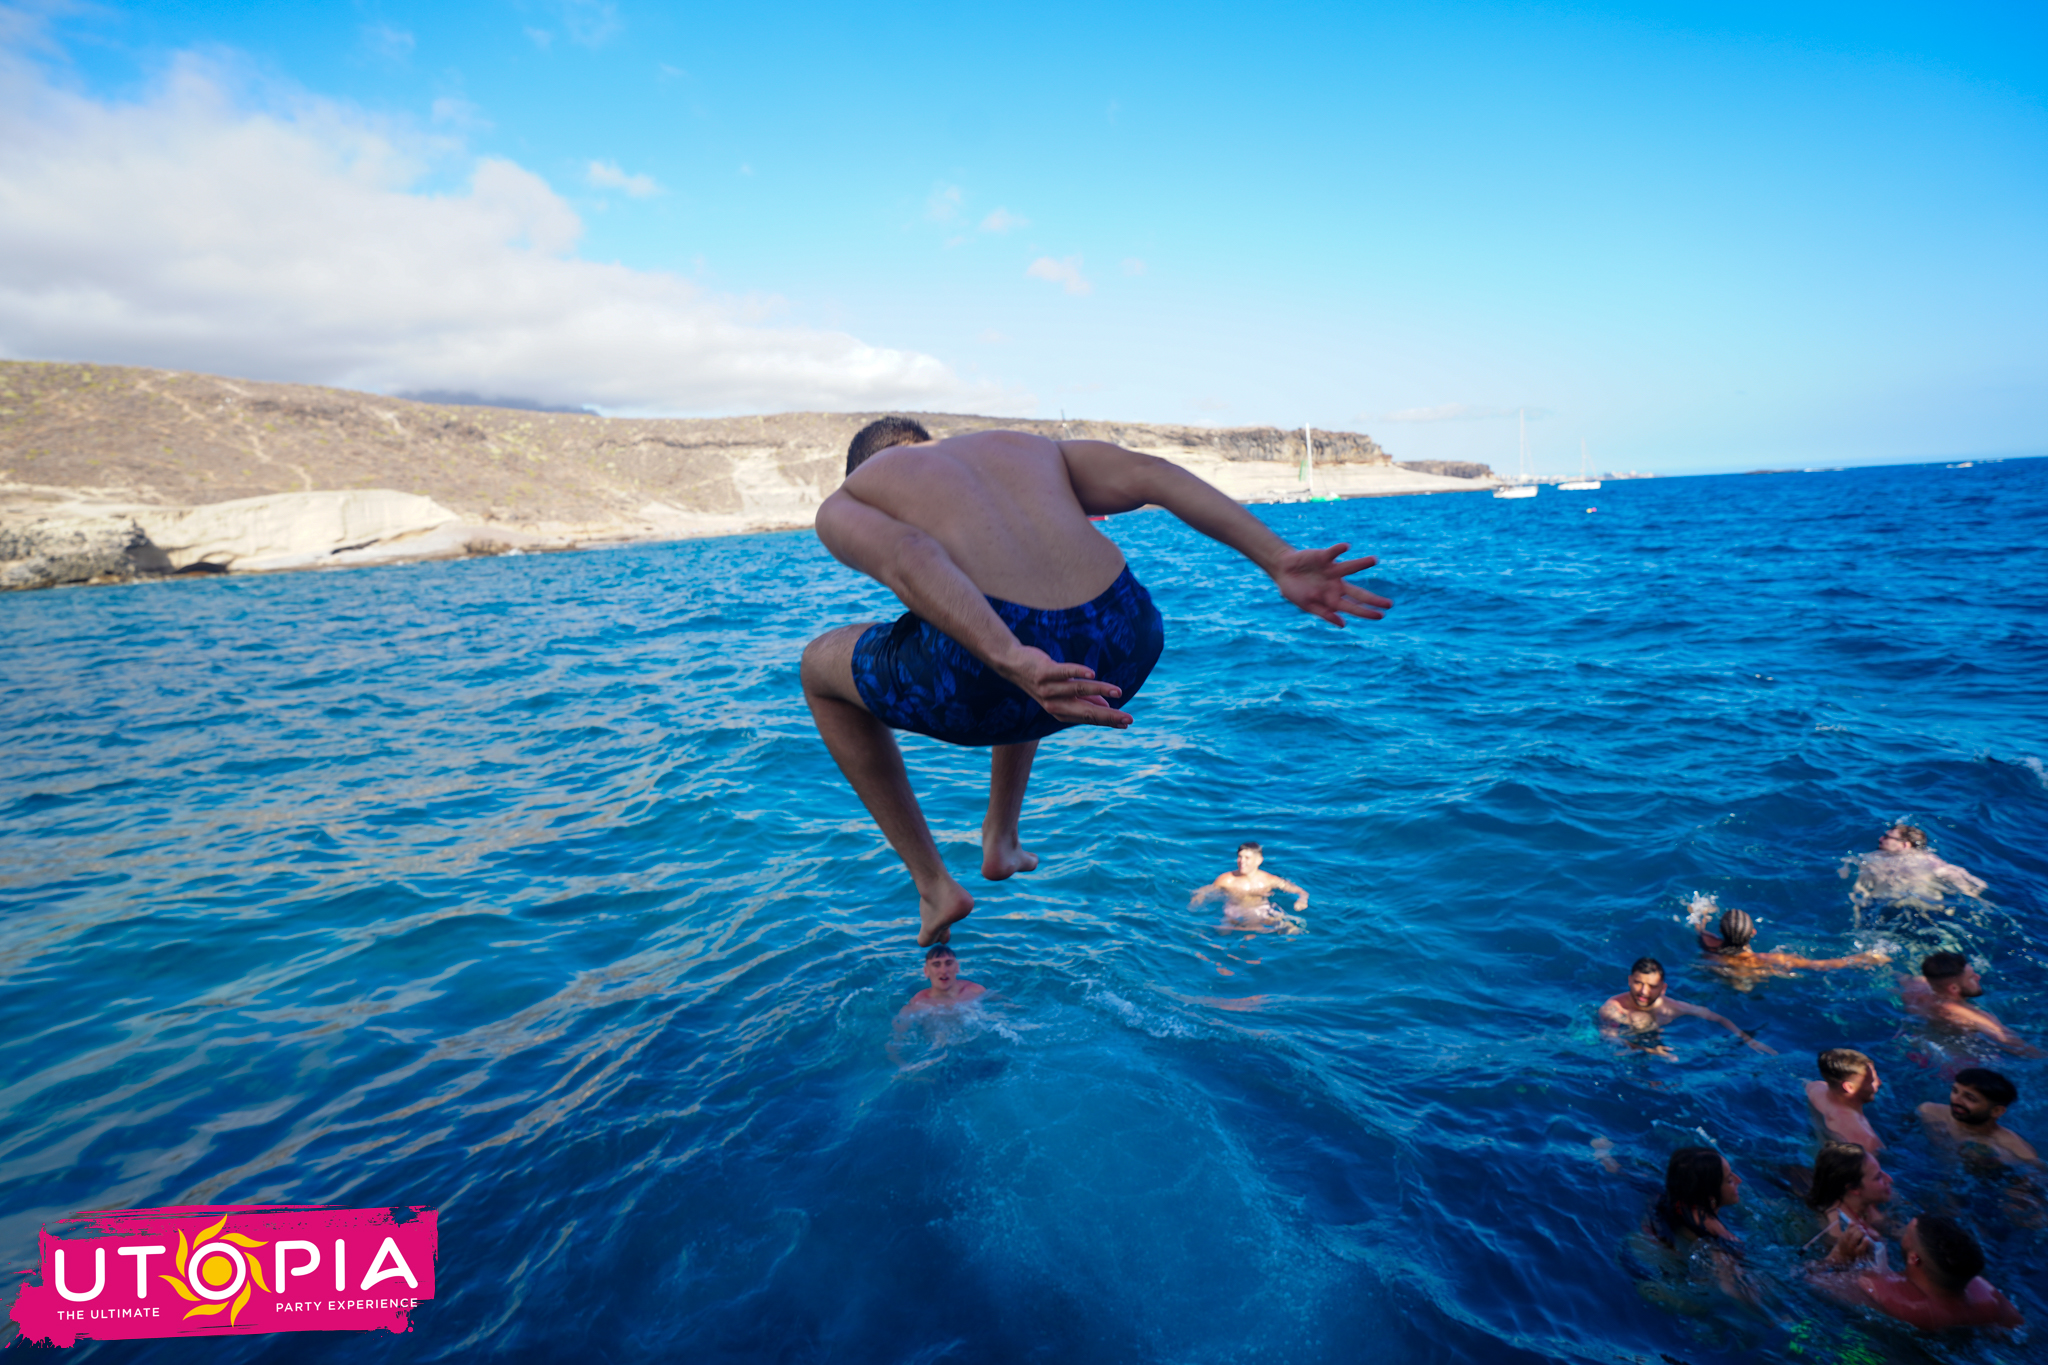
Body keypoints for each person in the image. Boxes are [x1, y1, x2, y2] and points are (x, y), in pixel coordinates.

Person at [800, 418, 1391, 945]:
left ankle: (933, 884)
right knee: (1033, 652)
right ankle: (1001, 837)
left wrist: (1008, 655)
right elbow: (1152, 474)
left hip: (994, 676)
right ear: (931, 443)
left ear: (863, 470)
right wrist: (1276, 558)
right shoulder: (1022, 447)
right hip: (1128, 640)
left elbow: (909, 552)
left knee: (818, 670)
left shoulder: (852, 497)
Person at [1812, 1215, 2024, 1331]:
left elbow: (1807, 1280)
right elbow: (2021, 1331)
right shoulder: (1989, 1297)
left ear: (1914, 1258)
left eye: (1907, 1234)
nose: (1902, 1233)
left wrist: (1838, 1256)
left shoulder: (1881, 1292)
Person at [1641, 1147, 1754, 1303]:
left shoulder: (1662, 1197)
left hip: (1646, 1258)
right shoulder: (1721, 1238)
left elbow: (1618, 1169)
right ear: (1710, 1196)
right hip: (1675, 1289)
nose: (1738, 1180)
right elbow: (1731, 1289)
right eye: (1729, 1180)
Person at [1599, 958, 1777, 1055]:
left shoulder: (1674, 1008)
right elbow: (1611, 1042)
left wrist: (1748, 1040)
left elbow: (1718, 1018)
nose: (1644, 992)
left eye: (1652, 986)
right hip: (1634, 1045)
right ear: (1629, 981)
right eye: (1638, 983)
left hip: (1660, 1044)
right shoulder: (1614, 1008)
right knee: (1639, 1020)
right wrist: (1649, 1051)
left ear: (1663, 989)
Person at [1694, 902, 1888, 980]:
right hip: (1750, 978)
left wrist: (1702, 913)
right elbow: (1822, 965)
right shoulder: (1769, 959)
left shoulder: (1708, 943)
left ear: (1720, 931)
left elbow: (1699, 926)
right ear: (1753, 932)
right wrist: (1866, 958)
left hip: (1719, 970)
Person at [1900, 953, 2040, 1057]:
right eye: (1971, 977)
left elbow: (1895, 973)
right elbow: (2012, 1042)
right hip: (1951, 1057)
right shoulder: (1971, 1015)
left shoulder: (1916, 987)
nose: (1978, 977)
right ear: (1953, 989)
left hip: (1915, 1043)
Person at [1843, 823, 1988, 910]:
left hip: (1887, 907)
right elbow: (1975, 884)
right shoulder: (1932, 861)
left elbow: (1859, 890)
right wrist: (1973, 895)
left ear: (1905, 845)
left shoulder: (1873, 859)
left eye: (1887, 837)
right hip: (1930, 908)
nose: (1880, 839)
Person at [1918, 1068, 2041, 1166]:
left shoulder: (2014, 1149)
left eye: (1970, 1098)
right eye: (1955, 1091)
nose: (1956, 1100)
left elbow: (2037, 1178)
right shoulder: (1929, 1112)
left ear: (1996, 1111)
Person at [1807, 1141, 1896, 1259]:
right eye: (1878, 1177)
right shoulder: (1839, 1231)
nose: (1889, 1179)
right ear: (1854, 1189)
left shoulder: (1869, 1199)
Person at [1190, 841, 1308, 927]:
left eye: (1247, 858)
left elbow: (1301, 891)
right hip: (1233, 913)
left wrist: (1302, 900)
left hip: (1261, 911)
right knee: (1216, 935)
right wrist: (1198, 897)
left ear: (1259, 860)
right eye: (1240, 857)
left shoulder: (1269, 880)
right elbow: (1208, 890)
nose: (1242, 861)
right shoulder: (1226, 880)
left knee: (1293, 930)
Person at [1805, 1048, 1885, 1151]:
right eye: (1872, 1081)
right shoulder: (1866, 1140)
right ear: (1849, 1087)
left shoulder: (1814, 1088)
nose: (1879, 1082)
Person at [898, 943, 987, 1015]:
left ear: (957, 967)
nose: (944, 971)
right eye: (936, 965)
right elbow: (899, 1030)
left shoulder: (976, 991)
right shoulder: (918, 1003)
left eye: (948, 963)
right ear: (926, 971)